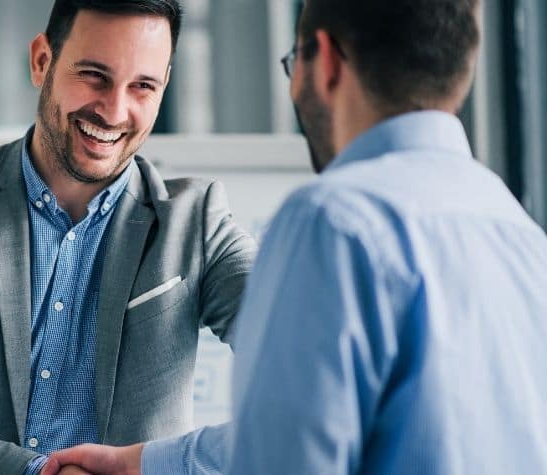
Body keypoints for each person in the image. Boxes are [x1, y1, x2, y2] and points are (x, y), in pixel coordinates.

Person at [45, 0, 547, 473]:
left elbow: (286, 458)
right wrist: (148, 463)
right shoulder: (520, 235)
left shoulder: (334, 221)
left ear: (324, 61)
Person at [0, 1, 257, 473]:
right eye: (94, 76)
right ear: (42, 61)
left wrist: (175, 463)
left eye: (143, 86)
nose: (114, 110)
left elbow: (313, 356)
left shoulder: (197, 224)